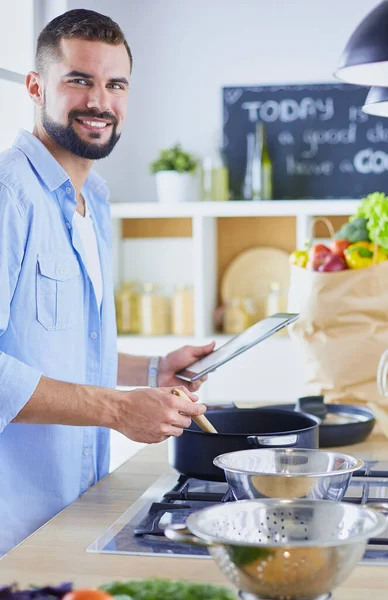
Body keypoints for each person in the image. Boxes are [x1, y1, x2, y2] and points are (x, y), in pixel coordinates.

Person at [0, 8, 214, 556]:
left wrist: (151, 371)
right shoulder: (8, 196)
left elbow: (54, 342)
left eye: (114, 84)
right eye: (79, 80)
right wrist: (119, 409)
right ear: (35, 87)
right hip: (10, 529)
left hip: (72, 514)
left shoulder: (94, 200)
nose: (100, 101)